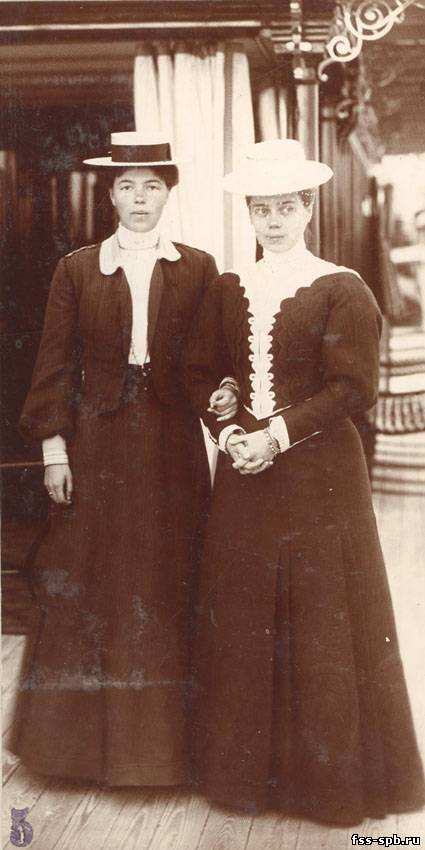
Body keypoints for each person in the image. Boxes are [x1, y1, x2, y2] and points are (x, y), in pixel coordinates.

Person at [183, 139, 425, 824]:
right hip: (245, 471)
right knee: (244, 613)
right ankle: (246, 781)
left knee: (323, 617)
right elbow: (201, 372)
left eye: (285, 207)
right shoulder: (228, 288)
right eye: (261, 209)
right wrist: (227, 425)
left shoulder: (342, 287)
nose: (273, 220)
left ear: (308, 209)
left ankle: (328, 786)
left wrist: (276, 435)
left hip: (321, 475)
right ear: (249, 213)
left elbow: (353, 388)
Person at [9, 131, 222, 786]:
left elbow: (208, 362)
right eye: (127, 186)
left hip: (171, 442)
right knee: (91, 575)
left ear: (168, 193)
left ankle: (167, 756)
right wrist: (54, 450)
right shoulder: (77, 269)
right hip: (96, 441)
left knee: (167, 574)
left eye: (152, 186)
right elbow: (54, 364)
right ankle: (73, 754)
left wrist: (228, 419)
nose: (139, 198)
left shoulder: (198, 268)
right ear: (110, 194)